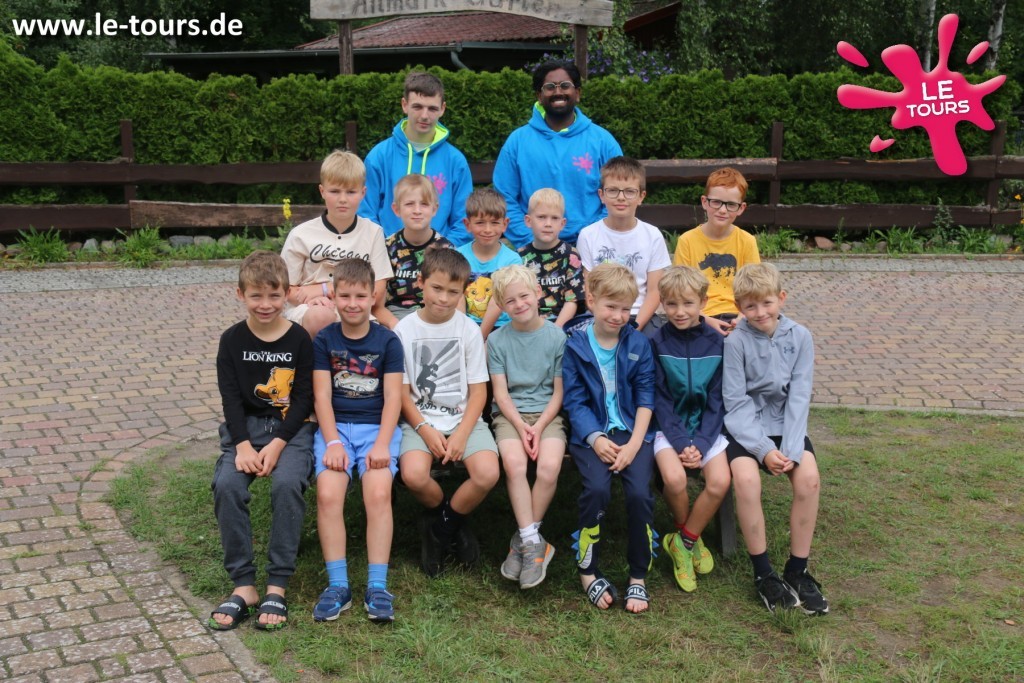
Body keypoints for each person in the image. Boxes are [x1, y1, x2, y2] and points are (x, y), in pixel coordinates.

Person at [209, 251, 315, 632]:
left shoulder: (300, 339)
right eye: (256, 296)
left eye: (274, 295)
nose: (265, 304)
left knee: (286, 484)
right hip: (245, 431)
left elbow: (304, 398)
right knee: (227, 485)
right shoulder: (231, 340)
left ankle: (276, 585)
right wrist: (242, 446)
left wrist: (278, 444)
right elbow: (230, 399)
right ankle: (244, 584)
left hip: (291, 429)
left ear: (287, 293)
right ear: (240, 294)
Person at [722, 263, 828, 615]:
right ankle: (763, 573)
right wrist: (764, 450)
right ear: (739, 306)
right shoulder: (735, 342)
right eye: (750, 306)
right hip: (745, 426)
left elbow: (799, 396)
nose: (760, 312)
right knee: (747, 481)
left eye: (767, 303)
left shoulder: (801, 337)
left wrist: (792, 450)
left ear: (781, 298)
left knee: (809, 480)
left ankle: (797, 570)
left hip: (787, 425)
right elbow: (735, 402)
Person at [394, 248, 500, 576]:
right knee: (413, 475)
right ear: (421, 283)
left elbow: (479, 391)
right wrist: (425, 429)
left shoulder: (468, 329)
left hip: (464, 419)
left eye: (453, 292)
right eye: (437, 288)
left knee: (487, 473)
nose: (443, 298)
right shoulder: (404, 330)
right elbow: (402, 394)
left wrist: (463, 434)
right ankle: (450, 516)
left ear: (463, 292)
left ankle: (441, 528)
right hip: (420, 420)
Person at [310, 259, 404, 623]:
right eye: (345, 296)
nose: (352, 303)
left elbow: (393, 398)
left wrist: (381, 444)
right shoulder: (324, 340)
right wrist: (333, 442)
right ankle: (338, 585)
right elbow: (321, 396)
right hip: (335, 430)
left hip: (377, 429)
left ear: (373, 297)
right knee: (328, 495)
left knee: (378, 494)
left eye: (360, 296)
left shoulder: (388, 341)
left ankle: (377, 586)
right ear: (333, 296)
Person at [562, 262, 656, 614]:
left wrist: (634, 444)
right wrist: (595, 438)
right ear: (591, 301)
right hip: (592, 433)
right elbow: (575, 401)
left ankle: (638, 574)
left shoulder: (638, 343)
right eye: (610, 306)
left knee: (639, 494)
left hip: (633, 432)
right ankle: (587, 569)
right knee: (597, 490)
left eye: (625, 309)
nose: (618, 316)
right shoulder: (575, 346)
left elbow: (646, 397)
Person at [649, 266, 732, 593]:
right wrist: (683, 442)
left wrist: (702, 442)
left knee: (720, 481)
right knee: (674, 479)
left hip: (708, 430)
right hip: (669, 430)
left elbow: (718, 399)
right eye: (671, 304)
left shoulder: (718, 343)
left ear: (703, 302)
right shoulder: (656, 342)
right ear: (662, 304)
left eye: (687, 303)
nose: (679, 312)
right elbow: (660, 399)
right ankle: (688, 535)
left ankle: (682, 541)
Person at [487, 265, 567, 589]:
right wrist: (521, 426)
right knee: (514, 464)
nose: (519, 304)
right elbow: (501, 393)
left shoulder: (557, 337)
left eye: (524, 296)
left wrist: (540, 425)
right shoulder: (497, 340)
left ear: (538, 293)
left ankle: (524, 538)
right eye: (510, 301)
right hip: (511, 416)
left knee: (548, 467)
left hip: (548, 414)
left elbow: (558, 392)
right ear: (501, 306)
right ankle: (534, 542)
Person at [493, 59, 623, 247]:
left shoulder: (603, 141)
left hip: (593, 247)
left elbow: (618, 194)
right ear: (539, 96)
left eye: (565, 85)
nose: (558, 92)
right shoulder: (518, 142)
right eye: (550, 87)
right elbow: (504, 198)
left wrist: (591, 239)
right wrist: (531, 241)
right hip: (533, 246)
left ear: (577, 93)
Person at [281, 150, 394, 340]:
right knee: (321, 316)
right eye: (334, 191)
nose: (343, 199)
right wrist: (317, 297)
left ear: (363, 193)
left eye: (351, 192)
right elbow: (285, 288)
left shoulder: (373, 232)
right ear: (322, 191)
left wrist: (326, 289)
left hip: (357, 306)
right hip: (309, 308)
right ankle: (314, 360)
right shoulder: (300, 234)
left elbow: (379, 288)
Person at [360, 71, 473, 246]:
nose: (424, 116)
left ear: (442, 109)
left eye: (432, 108)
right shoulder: (379, 156)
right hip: (387, 255)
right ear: (404, 105)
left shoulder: (455, 161)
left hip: (440, 257)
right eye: (417, 107)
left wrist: (441, 251)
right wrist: (386, 249)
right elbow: (366, 214)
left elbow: (463, 221)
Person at [577, 156, 671, 332]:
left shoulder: (653, 236)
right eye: (613, 190)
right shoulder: (588, 235)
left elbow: (654, 292)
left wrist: (634, 328)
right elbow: (589, 290)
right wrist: (609, 320)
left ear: (641, 196)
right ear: (601, 195)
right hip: (601, 314)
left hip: (639, 315)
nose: (621, 197)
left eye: (629, 191)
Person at [673, 167, 760, 336]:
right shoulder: (687, 241)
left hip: (739, 315)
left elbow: (755, 289)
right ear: (704, 202)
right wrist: (703, 319)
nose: (722, 210)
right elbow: (680, 290)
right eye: (716, 202)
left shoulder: (747, 241)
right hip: (698, 315)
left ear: (741, 208)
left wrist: (742, 318)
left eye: (731, 204)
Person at [380, 174, 454, 328]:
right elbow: (377, 305)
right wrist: (397, 326)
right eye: (409, 204)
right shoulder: (387, 247)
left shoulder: (445, 250)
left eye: (424, 204)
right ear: (396, 209)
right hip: (396, 316)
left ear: (434, 209)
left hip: (434, 315)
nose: (417, 210)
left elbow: (453, 296)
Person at [454, 187, 523, 336]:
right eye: (480, 222)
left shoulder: (512, 260)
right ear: (467, 224)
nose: (487, 229)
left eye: (494, 222)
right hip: (465, 325)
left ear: (505, 224)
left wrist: (479, 338)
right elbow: (457, 296)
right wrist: (463, 333)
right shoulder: (458, 256)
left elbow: (497, 302)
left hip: (502, 327)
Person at [517, 188, 585, 328]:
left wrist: (555, 331)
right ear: (528, 221)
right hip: (528, 323)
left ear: (562, 223)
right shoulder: (520, 257)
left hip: (562, 325)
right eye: (541, 217)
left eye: (554, 218)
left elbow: (572, 301)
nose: (548, 223)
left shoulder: (571, 255)